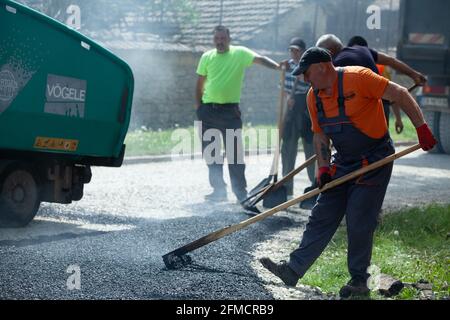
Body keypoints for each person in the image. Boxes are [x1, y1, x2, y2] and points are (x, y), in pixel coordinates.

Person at [259, 47, 437, 298]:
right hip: (343, 161)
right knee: (322, 214)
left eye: (307, 73)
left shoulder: (360, 77)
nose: (305, 79)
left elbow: (398, 93)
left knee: (359, 219)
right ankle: (293, 270)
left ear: (322, 67)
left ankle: (360, 281)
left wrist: (422, 128)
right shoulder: (314, 96)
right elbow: (320, 133)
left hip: (375, 159)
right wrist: (322, 168)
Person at [195, 26, 280, 203]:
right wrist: (199, 108)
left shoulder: (239, 53)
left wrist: (278, 67)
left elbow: (260, 59)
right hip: (208, 111)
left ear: (229, 39)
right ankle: (218, 190)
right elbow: (199, 84)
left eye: (222, 38)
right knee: (212, 153)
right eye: (216, 38)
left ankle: (240, 192)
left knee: (235, 154)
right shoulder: (207, 57)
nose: (219, 41)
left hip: (230, 112)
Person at [317, 34, 427, 132]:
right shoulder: (362, 50)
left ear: (329, 51)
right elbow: (391, 60)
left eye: (319, 54)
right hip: (380, 107)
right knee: (381, 147)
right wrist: (414, 75)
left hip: (357, 113)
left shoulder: (334, 66)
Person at [280, 37, 315, 199]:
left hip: (306, 107)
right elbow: (283, 88)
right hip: (291, 108)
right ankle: (286, 188)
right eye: (291, 50)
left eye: (297, 50)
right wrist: (288, 98)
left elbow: (314, 85)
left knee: (311, 148)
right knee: (287, 148)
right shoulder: (286, 66)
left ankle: (316, 185)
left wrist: (303, 77)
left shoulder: (309, 65)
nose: (293, 53)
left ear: (303, 51)